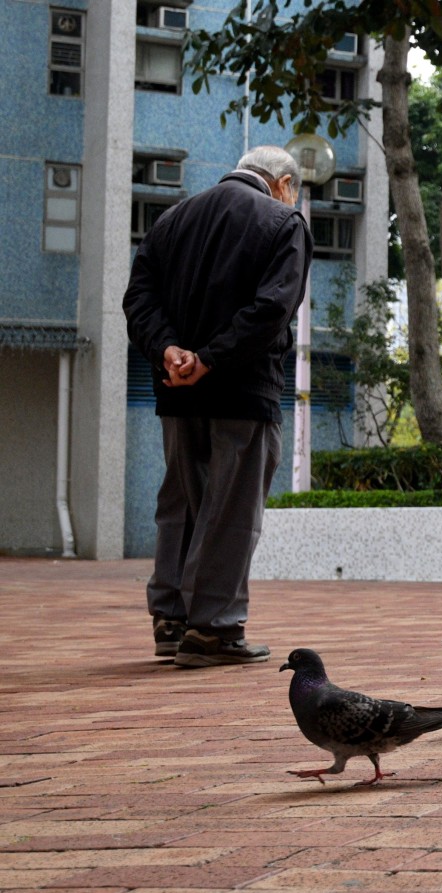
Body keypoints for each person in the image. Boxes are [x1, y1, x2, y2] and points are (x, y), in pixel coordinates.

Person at [123, 145, 312, 667]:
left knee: (181, 501)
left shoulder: (171, 220)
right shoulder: (283, 223)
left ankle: (171, 620)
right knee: (231, 509)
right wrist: (211, 360)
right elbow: (272, 309)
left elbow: (138, 300)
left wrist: (169, 351)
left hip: (176, 390)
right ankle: (214, 629)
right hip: (242, 392)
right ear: (283, 184)